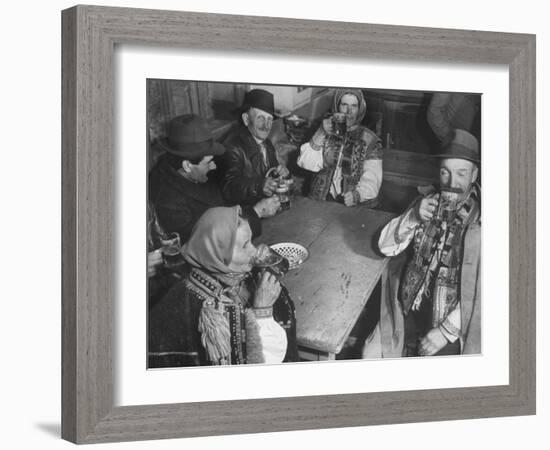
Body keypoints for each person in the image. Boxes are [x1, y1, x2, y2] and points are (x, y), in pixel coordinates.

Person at [371, 129, 481, 357]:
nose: (452, 183)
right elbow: (384, 246)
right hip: (407, 308)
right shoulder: (428, 201)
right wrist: (413, 216)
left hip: (454, 325)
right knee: (369, 355)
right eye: (445, 173)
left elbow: (493, 291)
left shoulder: (482, 221)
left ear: (474, 174)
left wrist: (445, 332)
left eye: (461, 173)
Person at [148, 206, 299, 367]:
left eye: (251, 241)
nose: (254, 250)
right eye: (245, 245)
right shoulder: (209, 311)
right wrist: (262, 311)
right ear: (219, 255)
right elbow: (247, 375)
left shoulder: (230, 274)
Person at [149, 114, 280, 244]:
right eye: (208, 162)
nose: (214, 166)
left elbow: (227, 199)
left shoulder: (192, 171)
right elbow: (207, 243)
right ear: (187, 165)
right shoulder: (167, 199)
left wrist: (260, 187)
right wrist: (256, 212)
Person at [297, 88, 383, 206]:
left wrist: (357, 195)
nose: (349, 111)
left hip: (352, 206)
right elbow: (305, 162)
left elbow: (372, 179)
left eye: (354, 106)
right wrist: (321, 132)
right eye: (344, 105)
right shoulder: (325, 131)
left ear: (360, 109)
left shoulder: (369, 140)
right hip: (321, 201)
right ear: (337, 107)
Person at [218, 89, 289, 206]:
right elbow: (229, 187)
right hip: (244, 213)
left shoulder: (267, 144)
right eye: (260, 118)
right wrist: (259, 185)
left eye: (269, 119)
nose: (266, 126)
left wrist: (281, 172)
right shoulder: (232, 146)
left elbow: (271, 174)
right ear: (246, 119)